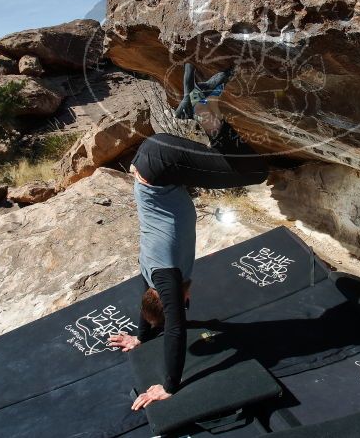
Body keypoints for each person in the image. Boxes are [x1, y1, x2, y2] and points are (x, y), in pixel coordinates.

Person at [108, 63, 269, 410]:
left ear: (175, 300)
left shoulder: (167, 276)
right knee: (228, 162)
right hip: (154, 162)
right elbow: (148, 303)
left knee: (255, 171)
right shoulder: (151, 275)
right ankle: (201, 100)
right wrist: (140, 336)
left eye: (181, 304)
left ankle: (199, 101)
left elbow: (176, 331)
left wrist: (168, 386)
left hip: (162, 166)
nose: (187, 301)